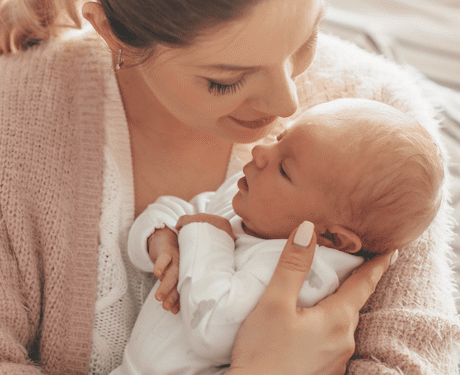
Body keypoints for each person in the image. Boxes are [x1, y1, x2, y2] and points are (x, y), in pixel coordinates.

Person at [0, 0, 460, 373]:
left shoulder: (381, 126)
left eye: (305, 38)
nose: (287, 103)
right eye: (226, 79)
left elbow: (417, 359)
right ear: (111, 29)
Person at [114, 98, 444, 375]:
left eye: (285, 169)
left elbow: (212, 330)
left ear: (332, 238)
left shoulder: (306, 275)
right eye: (280, 137)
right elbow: (187, 211)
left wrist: (206, 237)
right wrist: (160, 237)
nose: (260, 152)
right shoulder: (253, 204)